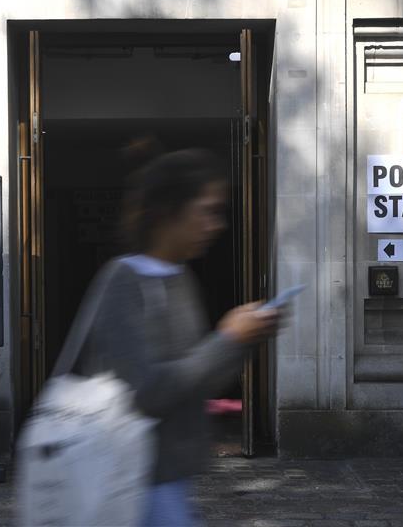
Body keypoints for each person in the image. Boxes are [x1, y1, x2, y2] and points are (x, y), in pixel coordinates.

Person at [73, 148, 280, 526]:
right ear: (170, 211)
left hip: (171, 475)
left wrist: (246, 338)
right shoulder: (122, 280)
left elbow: (197, 381)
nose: (216, 224)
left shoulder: (179, 277)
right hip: (134, 478)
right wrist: (227, 339)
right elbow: (148, 393)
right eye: (207, 210)